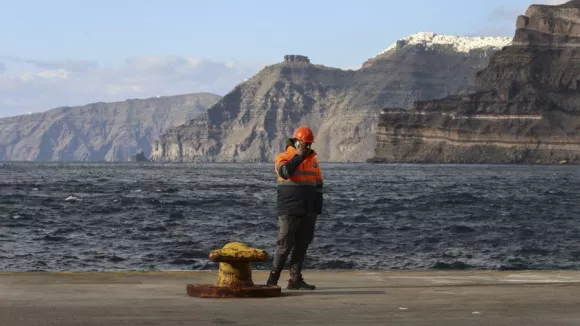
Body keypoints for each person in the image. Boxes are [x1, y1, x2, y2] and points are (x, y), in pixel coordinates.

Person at [266, 126, 323, 290]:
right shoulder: (283, 157)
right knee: (284, 244)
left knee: (302, 245)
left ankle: (295, 279)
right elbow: (284, 173)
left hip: (308, 210)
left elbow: (319, 184)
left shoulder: (313, 161)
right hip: (290, 208)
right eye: (305, 144)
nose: (308, 147)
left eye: (309, 144)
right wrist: (298, 157)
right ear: (297, 143)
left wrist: (317, 206)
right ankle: (272, 280)